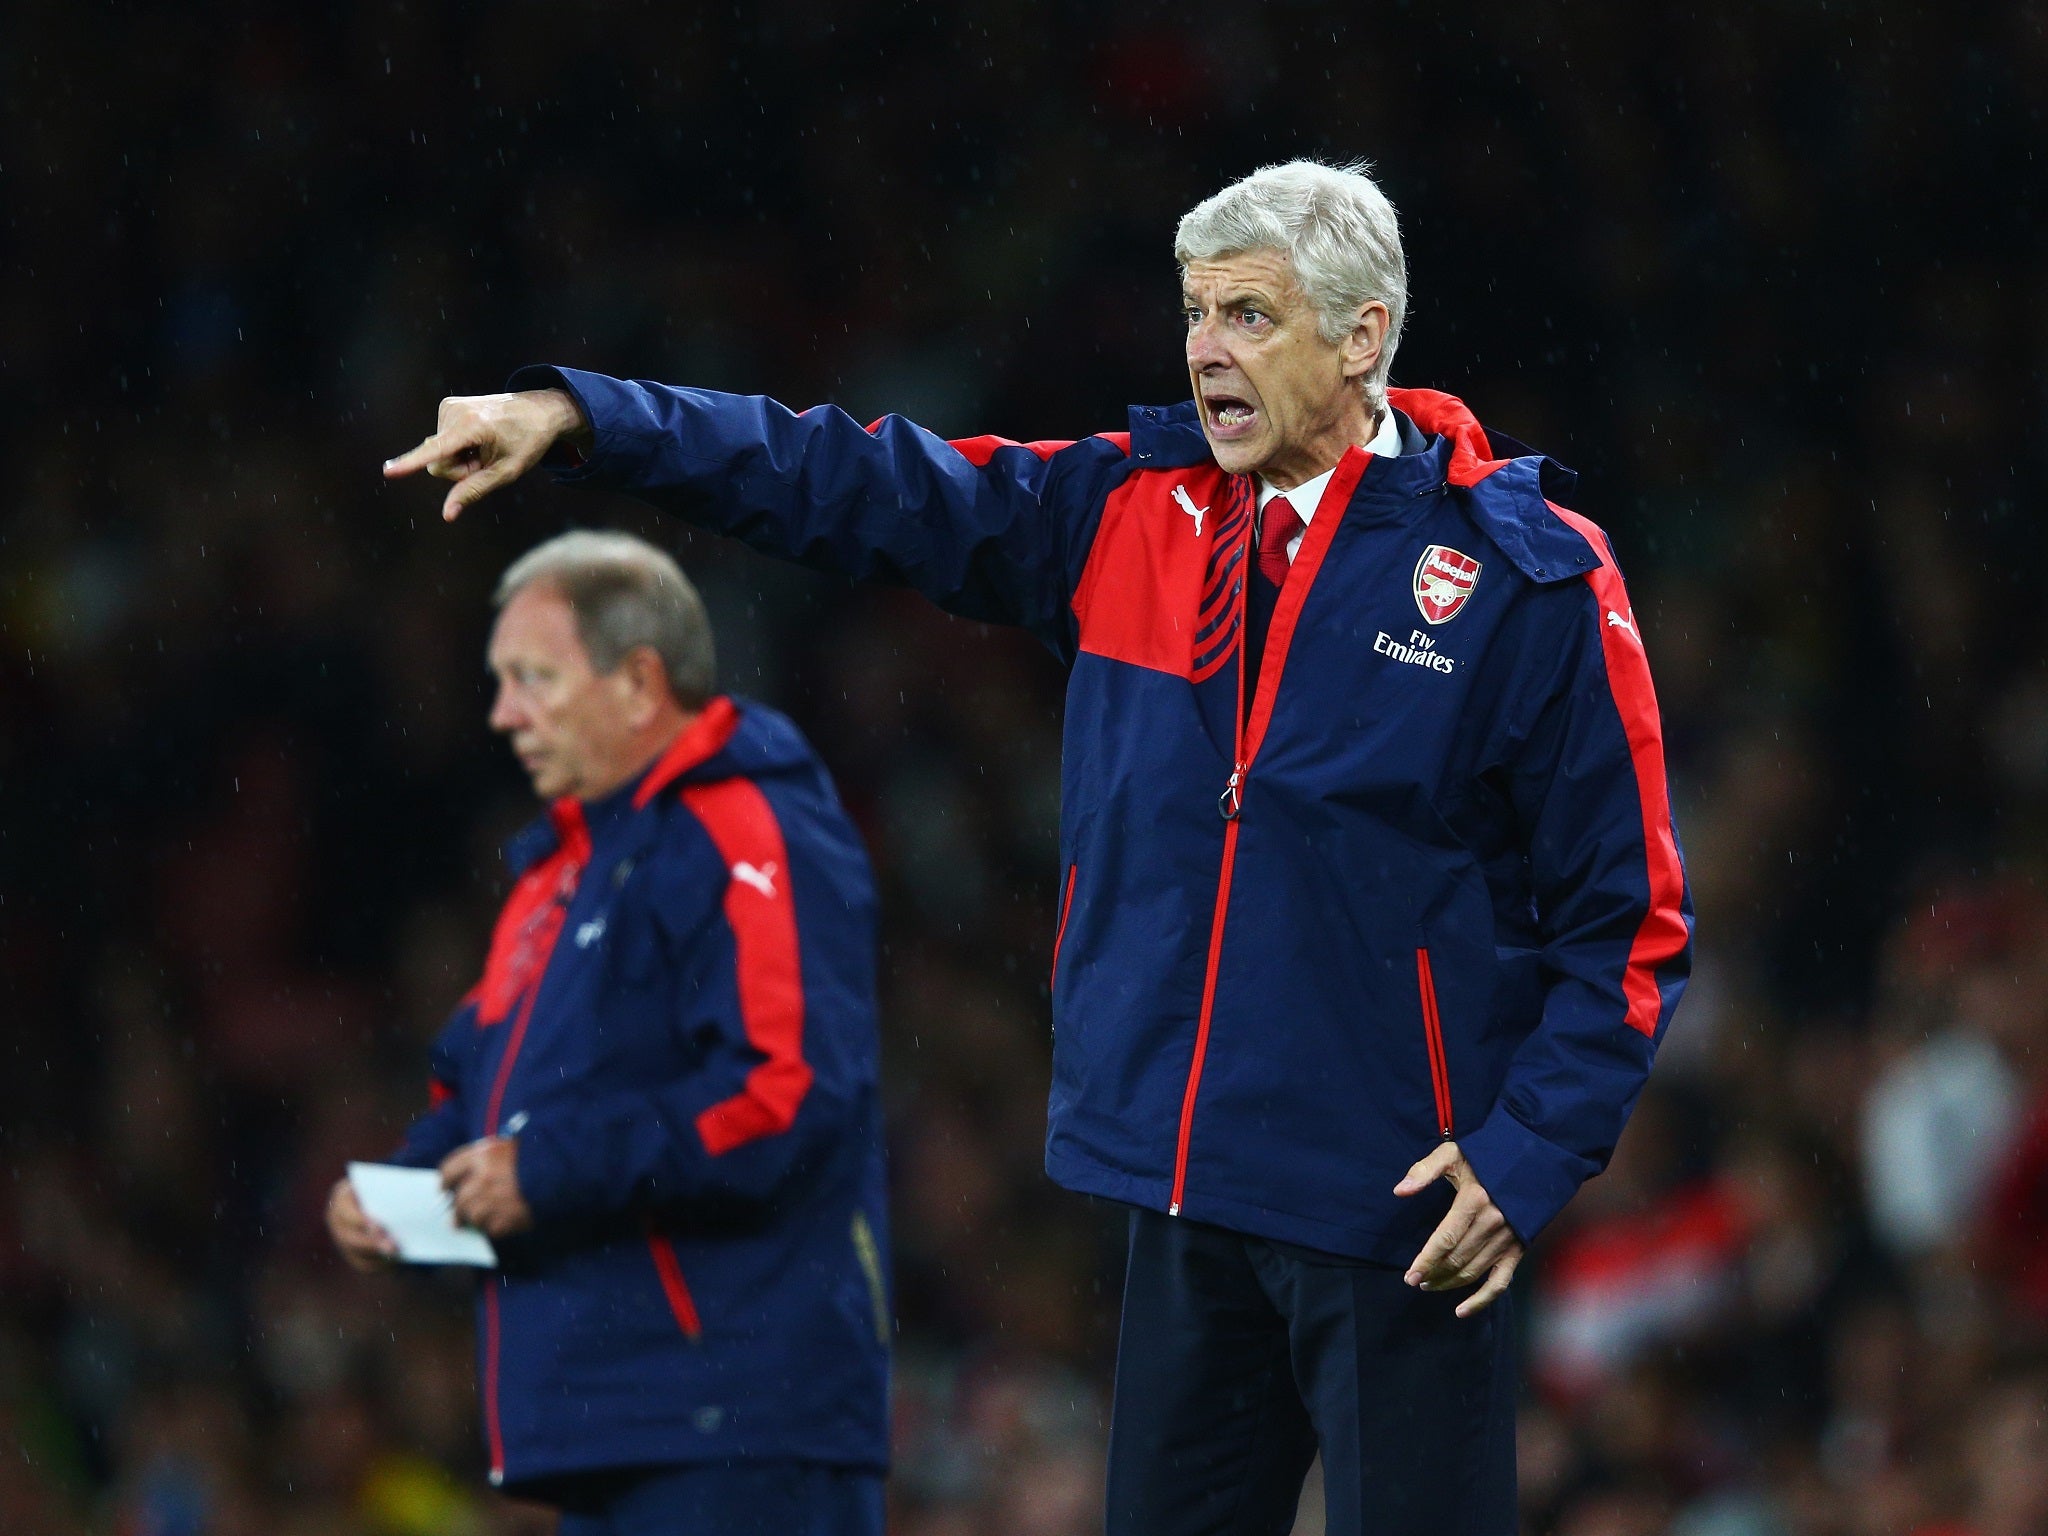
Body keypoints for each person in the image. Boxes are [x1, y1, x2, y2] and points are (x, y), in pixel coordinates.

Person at [385, 159, 1692, 1536]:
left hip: (1403, 1218)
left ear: (1364, 337)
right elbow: (853, 479)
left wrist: (1527, 1152)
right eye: (1195, 314)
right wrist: (593, 419)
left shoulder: (1524, 578)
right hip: (1181, 1195)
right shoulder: (1127, 511)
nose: (1203, 350)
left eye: (1248, 315)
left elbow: (1634, 928)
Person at [324, 531, 891, 1536]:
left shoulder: (746, 826)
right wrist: (405, 1193)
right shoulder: (555, 877)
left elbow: (783, 1097)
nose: (501, 714)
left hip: (736, 1419)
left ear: (638, 684)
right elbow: (480, 1092)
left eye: (532, 679)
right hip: (610, 1424)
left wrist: (545, 1173)